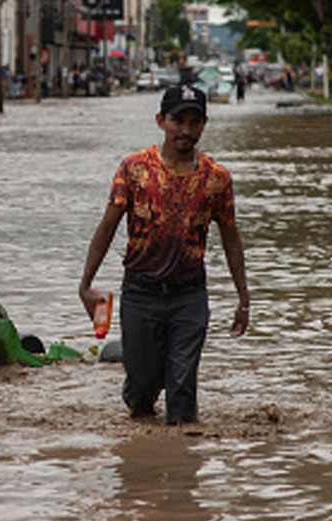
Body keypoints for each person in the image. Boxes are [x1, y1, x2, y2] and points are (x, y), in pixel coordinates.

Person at [78, 84, 250, 425]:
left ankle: (183, 465)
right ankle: (143, 463)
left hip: (189, 295)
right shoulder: (134, 169)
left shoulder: (217, 179)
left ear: (203, 125)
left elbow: (231, 238)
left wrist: (243, 299)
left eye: (194, 121)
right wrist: (86, 284)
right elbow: (108, 225)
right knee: (142, 391)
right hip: (141, 294)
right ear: (161, 121)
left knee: (182, 392)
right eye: (178, 120)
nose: (185, 130)